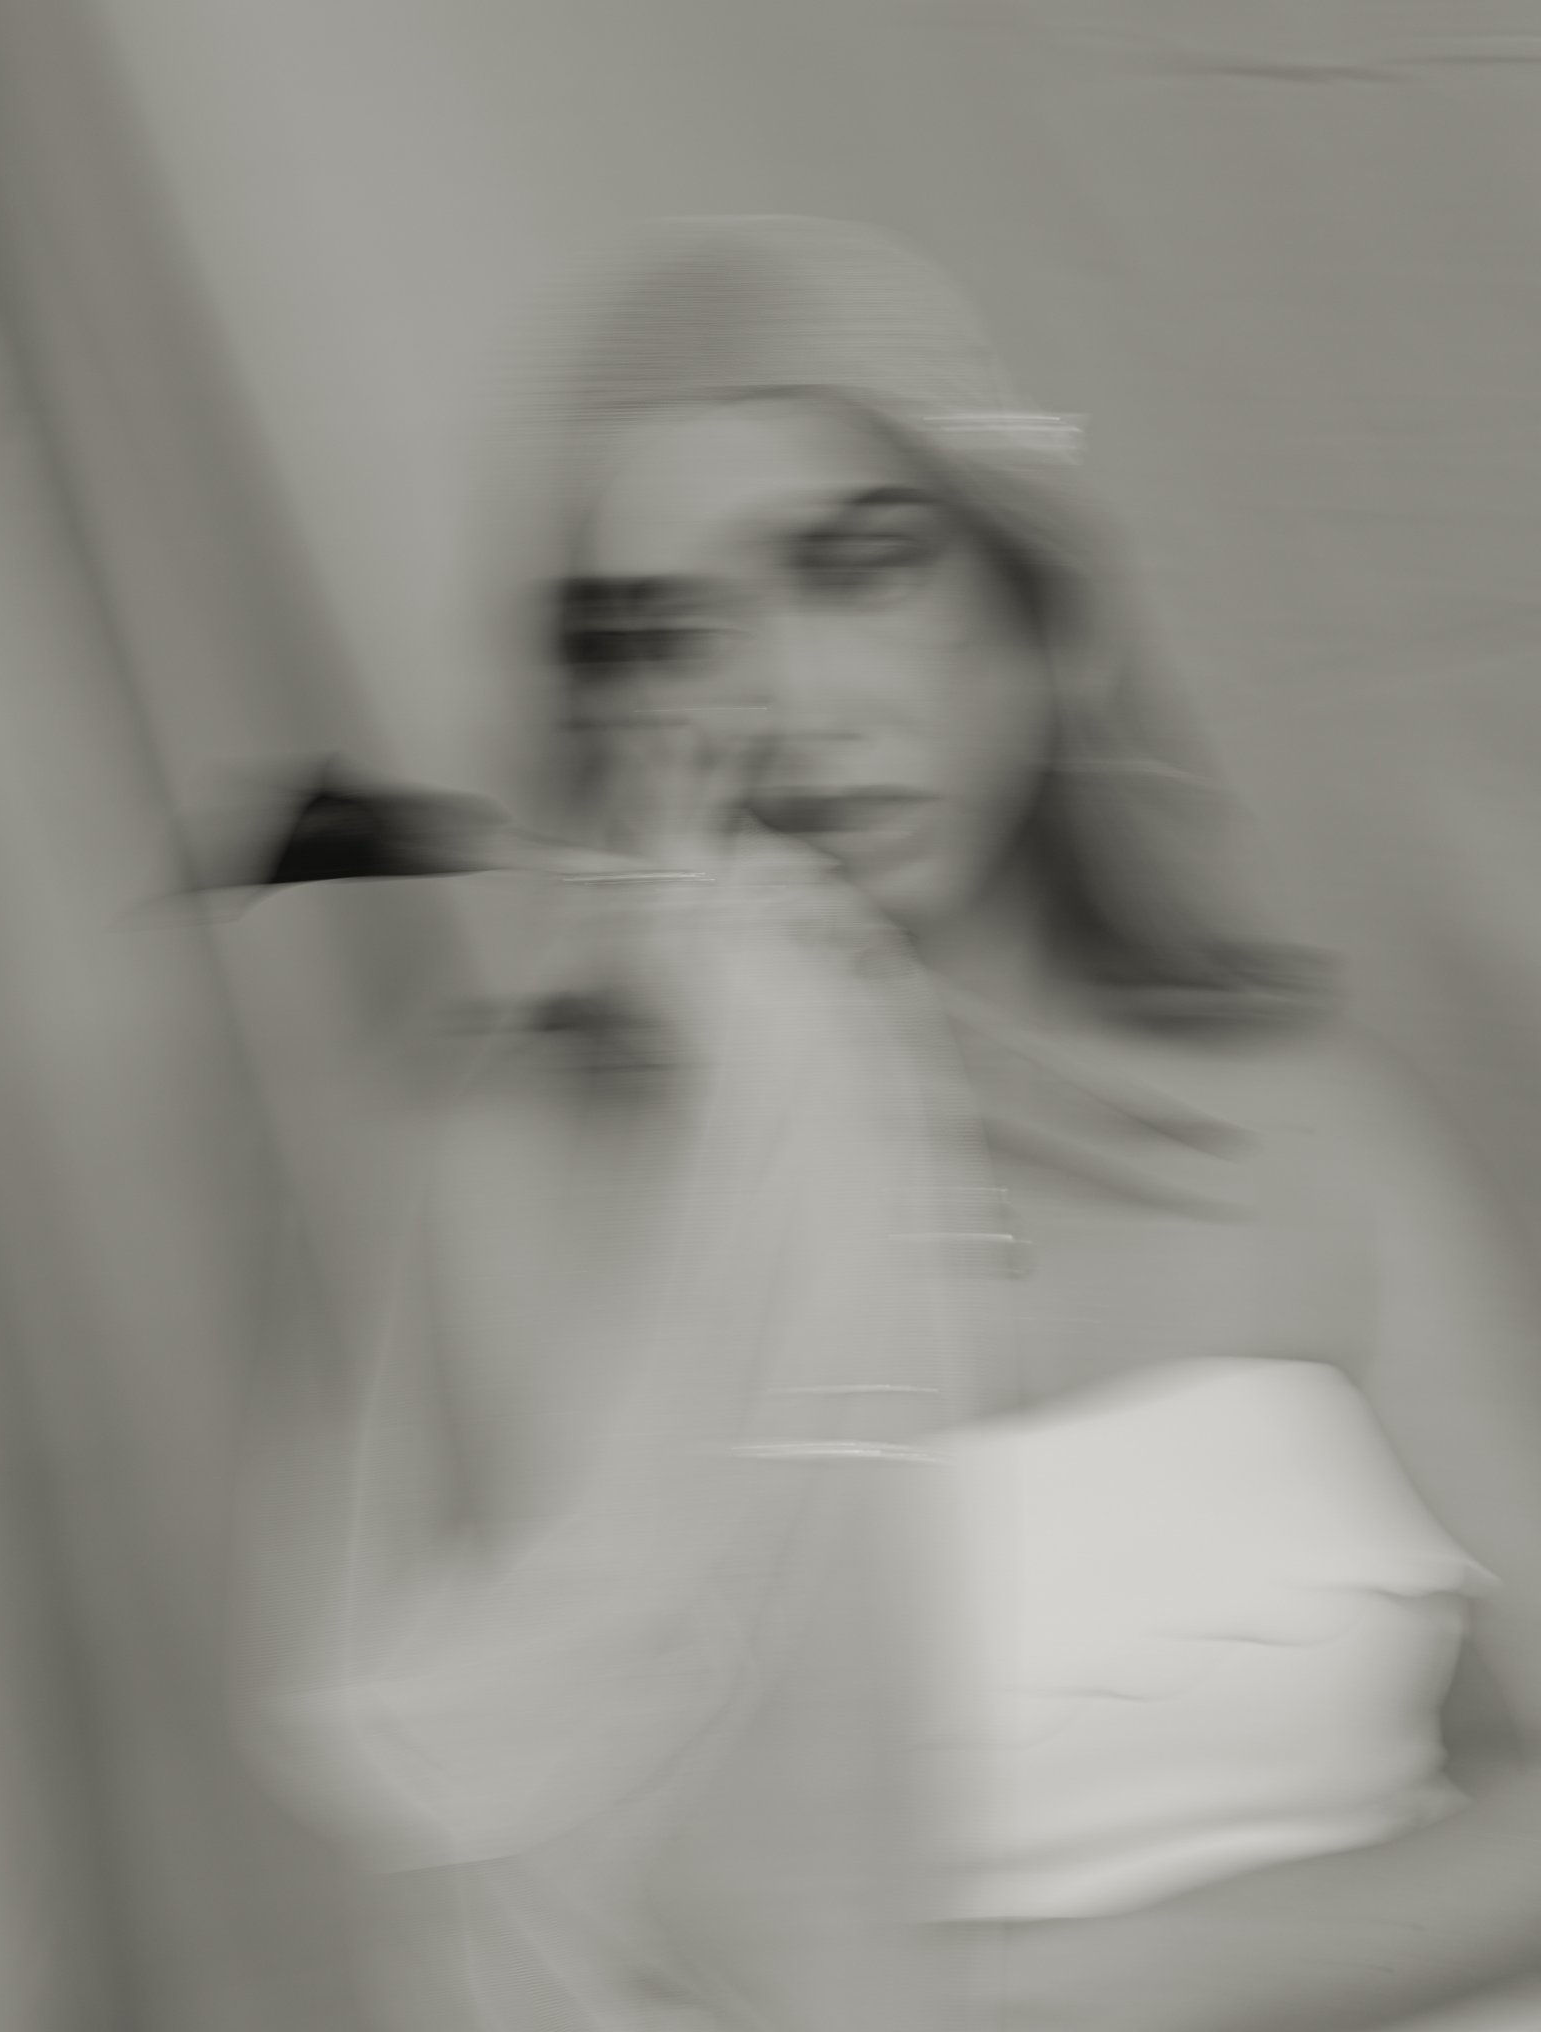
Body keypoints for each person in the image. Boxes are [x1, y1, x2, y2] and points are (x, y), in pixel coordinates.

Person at [235, 219, 1541, 2032]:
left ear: (1032, 608)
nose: (787, 705)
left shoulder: (1309, 1124)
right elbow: (775, 1932)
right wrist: (782, 1106)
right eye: (671, 633)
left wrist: (1056, 1989)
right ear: (606, 715)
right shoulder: (523, 1175)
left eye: (856, 568)